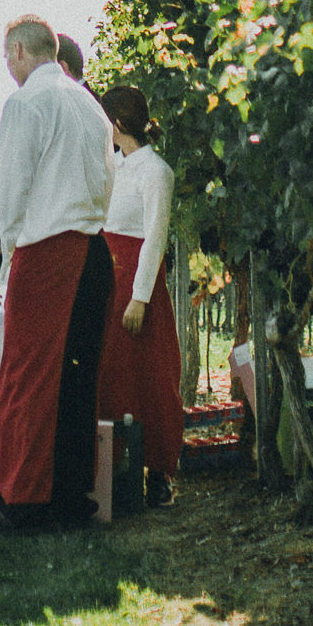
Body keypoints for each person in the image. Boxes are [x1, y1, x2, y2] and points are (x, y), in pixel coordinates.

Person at [0, 15, 116, 532]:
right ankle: (71, 498)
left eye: (6, 57)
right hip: (94, 250)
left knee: (26, 378)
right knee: (77, 380)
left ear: (17, 52)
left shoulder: (27, 101)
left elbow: (10, 191)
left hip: (49, 252)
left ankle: (25, 502)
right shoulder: (91, 106)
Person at [94, 84, 182, 508]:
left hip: (137, 287)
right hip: (108, 284)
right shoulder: (113, 165)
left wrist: (140, 297)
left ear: (117, 123)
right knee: (111, 376)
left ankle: (160, 472)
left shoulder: (156, 172)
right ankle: (111, 471)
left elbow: (155, 239)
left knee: (152, 378)